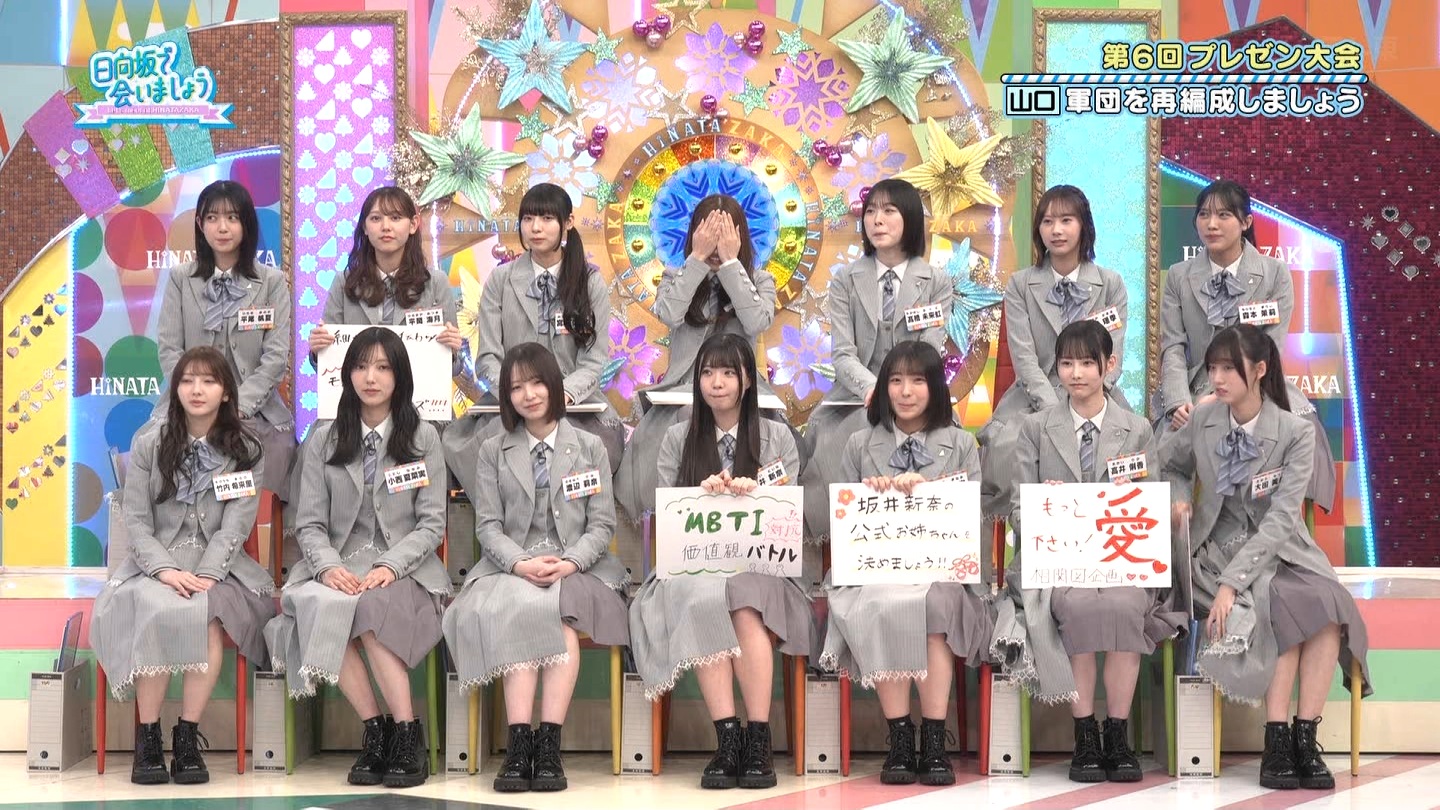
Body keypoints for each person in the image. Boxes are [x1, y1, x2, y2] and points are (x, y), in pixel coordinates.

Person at [1159, 324, 1370, 791]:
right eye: (1212, 368)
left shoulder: (1295, 432)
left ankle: (1304, 737)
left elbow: (1280, 520)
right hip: (1218, 549)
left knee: (1329, 604)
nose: (1216, 379)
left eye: (1227, 369)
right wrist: (1180, 499)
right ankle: (1275, 741)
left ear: (1258, 370)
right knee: (1284, 603)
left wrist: (1233, 584)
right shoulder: (1204, 419)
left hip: (1282, 546)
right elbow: (1167, 462)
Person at [993, 320, 1183, 783]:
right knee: (1077, 607)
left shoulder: (1136, 429)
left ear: (1109, 365)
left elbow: (1150, 501)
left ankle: (1116, 733)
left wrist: (1124, 503)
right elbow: (1018, 506)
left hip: (1121, 561)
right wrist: (1050, 509)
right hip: (1059, 562)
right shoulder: (1036, 428)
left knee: (1124, 606)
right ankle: (1084, 735)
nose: (1075, 373)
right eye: (1066, 363)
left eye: (1086, 363)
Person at [628, 333, 815, 790]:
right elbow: (667, 511)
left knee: (745, 604)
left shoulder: (777, 436)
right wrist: (700, 494)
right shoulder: (678, 438)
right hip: (696, 569)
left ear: (748, 380)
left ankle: (757, 738)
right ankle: (727, 738)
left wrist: (759, 494)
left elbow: (789, 515)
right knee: (704, 598)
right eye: (708, 373)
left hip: (762, 569)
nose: (717, 383)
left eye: (729, 372)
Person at [265, 327, 449, 789]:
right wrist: (328, 567)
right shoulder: (324, 439)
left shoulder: (424, 437)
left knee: (368, 607)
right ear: (346, 374)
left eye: (383, 367)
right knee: (319, 605)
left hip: (404, 568)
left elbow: (431, 525)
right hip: (340, 563)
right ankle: (376, 731)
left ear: (399, 376)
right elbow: (309, 523)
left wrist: (390, 565)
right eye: (362, 367)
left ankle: (408, 733)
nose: (371, 377)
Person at [443, 343, 630, 793]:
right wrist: (521, 563)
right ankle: (518, 745)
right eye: (516, 387)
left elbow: (601, 524)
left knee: (560, 618)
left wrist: (570, 562)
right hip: (511, 566)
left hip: (578, 567)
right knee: (521, 610)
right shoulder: (492, 450)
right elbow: (488, 527)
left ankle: (548, 747)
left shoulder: (590, 446)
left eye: (537, 382)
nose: (528, 394)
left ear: (555, 386)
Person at [91, 347, 272, 785]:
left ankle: (187, 736)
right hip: (156, 563)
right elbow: (136, 520)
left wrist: (208, 574)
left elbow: (236, 525)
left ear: (226, 392)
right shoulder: (149, 443)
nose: (196, 389)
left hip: (220, 566)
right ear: (175, 389)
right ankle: (148, 737)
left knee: (206, 616)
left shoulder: (247, 449)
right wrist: (165, 571)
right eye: (187, 380)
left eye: (209, 381)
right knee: (155, 609)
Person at [819, 340, 988, 787]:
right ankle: (898, 736)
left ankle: (933, 739)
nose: (906, 391)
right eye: (895, 380)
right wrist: (872, 494)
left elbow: (969, 518)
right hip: (875, 570)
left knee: (935, 605)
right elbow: (841, 520)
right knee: (882, 604)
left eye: (917, 380)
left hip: (940, 571)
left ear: (935, 387)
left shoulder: (962, 444)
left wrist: (929, 489)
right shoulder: (859, 444)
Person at [1157, 180, 1335, 512]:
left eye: (1224, 215)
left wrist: (1227, 393)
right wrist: (1179, 401)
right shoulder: (1179, 276)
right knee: (1166, 445)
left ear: (1246, 222)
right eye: (1204, 215)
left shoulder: (1274, 273)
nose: (1211, 224)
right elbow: (1173, 347)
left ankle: (1282, 528)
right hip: (1194, 387)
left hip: (1259, 383)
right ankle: (1181, 529)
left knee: (1303, 428)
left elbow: (1271, 348)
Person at [443, 183, 623, 499]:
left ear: (568, 222)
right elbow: (488, 357)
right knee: (469, 448)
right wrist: (517, 392)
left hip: (574, 405)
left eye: (547, 218)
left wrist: (561, 394)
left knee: (595, 451)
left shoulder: (589, 282)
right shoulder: (501, 279)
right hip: (510, 403)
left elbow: (594, 360)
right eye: (528, 219)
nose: (535, 228)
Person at [800, 178, 951, 540]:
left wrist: (898, 391)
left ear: (910, 218)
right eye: (870, 212)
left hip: (917, 395)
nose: (876, 220)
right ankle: (839, 548)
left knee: (949, 446)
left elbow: (930, 351)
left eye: (888, 210)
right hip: (855, 397)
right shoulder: (846, 280)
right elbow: (843, 354)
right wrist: (875, 389)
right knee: (828, 448)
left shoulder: (935, 280)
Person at [614, 194, 782, 520]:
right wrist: (697, 259)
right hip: (681, 390)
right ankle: (674, 519)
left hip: (745, 392)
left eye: (724, 237)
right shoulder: (675, 276)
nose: (716, 247)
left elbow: (757, 322)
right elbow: (669, 313)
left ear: (740, 238)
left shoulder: (759, 280)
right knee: (661, 436)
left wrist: (731, 265)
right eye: (708, 236)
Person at [979, 184, 1130, 517]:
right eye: (1047, 222)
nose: (1056, 230)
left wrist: (1087, 399)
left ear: (1084, 226)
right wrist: (1055, 411)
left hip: (1096, 393)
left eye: (1066, 220)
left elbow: (1113, 356)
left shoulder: (1111, 283)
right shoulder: (1020, 284)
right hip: (1034, 397)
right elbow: (1024, 359)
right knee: (1006, 452)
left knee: (1132, 450)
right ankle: (1026, 537)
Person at [153, 180, 293, 494]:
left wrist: (236, 408)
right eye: (212, 218)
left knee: (276, 454)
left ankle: (260, 524)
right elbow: (170, 349)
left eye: (232, 217)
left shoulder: (271, 281)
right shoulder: (180, 279)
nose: (223, 227)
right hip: (190, 404)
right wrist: (196, 398)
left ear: (247, 224)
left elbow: (274, 359)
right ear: (200, 224)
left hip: (253, 409)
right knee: (152, 446)